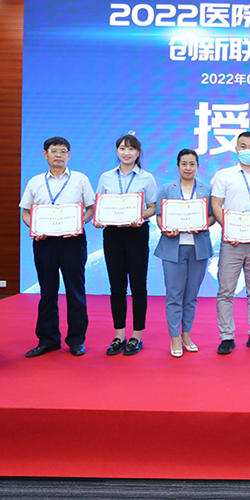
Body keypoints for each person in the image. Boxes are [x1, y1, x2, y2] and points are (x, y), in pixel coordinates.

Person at [19, 136, 95, 357]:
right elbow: (26, 213)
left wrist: (80, 222)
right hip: (45, 243)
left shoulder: (80, 179)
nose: (59, 155)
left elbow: (91, 209)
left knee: (75, 291)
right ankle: (48, 340)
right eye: (54, 151)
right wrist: (35, 228)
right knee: (47, 292)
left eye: (63, 151)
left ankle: (76, 341)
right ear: (45, 154)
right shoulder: (35, 182)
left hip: (73, 241)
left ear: (69, 155)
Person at [210, 131, 250, 355]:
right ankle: (226, 336)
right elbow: (216, 204)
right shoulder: (224, 175)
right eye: (244, 146)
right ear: (237, 149)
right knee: (226, 291)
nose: (248, 150)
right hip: (232, 243)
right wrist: (229, 228)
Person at [94, 134, 158, 357]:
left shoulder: (147, 178)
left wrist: (140, 216)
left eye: (131, 149)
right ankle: (119, 335)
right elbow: (100, 205)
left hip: (136, 233)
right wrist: (99, 219)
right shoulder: (106, 177)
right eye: (122, 148)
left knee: (138, 286)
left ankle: (136, 335)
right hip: (112, 234)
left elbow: (152, 208)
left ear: (138, 153)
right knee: (117, 287)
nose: (126, 153)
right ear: (117, 151)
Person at [153, 149, 215, 357]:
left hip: (198, 248)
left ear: (197, 166)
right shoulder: (166, 189)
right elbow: (160, 216)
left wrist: (203, 224)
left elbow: (213, 216)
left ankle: (186, 334)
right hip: (173, 247)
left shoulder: (207, 190)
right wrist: (165, 228)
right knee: (174, 295)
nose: (188, 168)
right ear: (178, 166)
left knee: (191, 296)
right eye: (184, 164)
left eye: (192, 164)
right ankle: (174, 338)